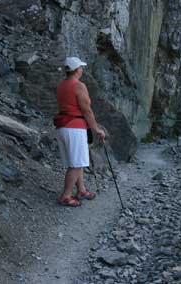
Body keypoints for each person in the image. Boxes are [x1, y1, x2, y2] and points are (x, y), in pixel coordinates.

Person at [53, 57, 106, 207]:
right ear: (77, 70)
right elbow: (87, 110)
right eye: (81, 68)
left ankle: (81, 190)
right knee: (76, 164)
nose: (82, 70)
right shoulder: (79, 86)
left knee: (77, 162)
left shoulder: (62, 85)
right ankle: (66, 195)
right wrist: (96, 129)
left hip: (63, 126)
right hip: (75, 128)